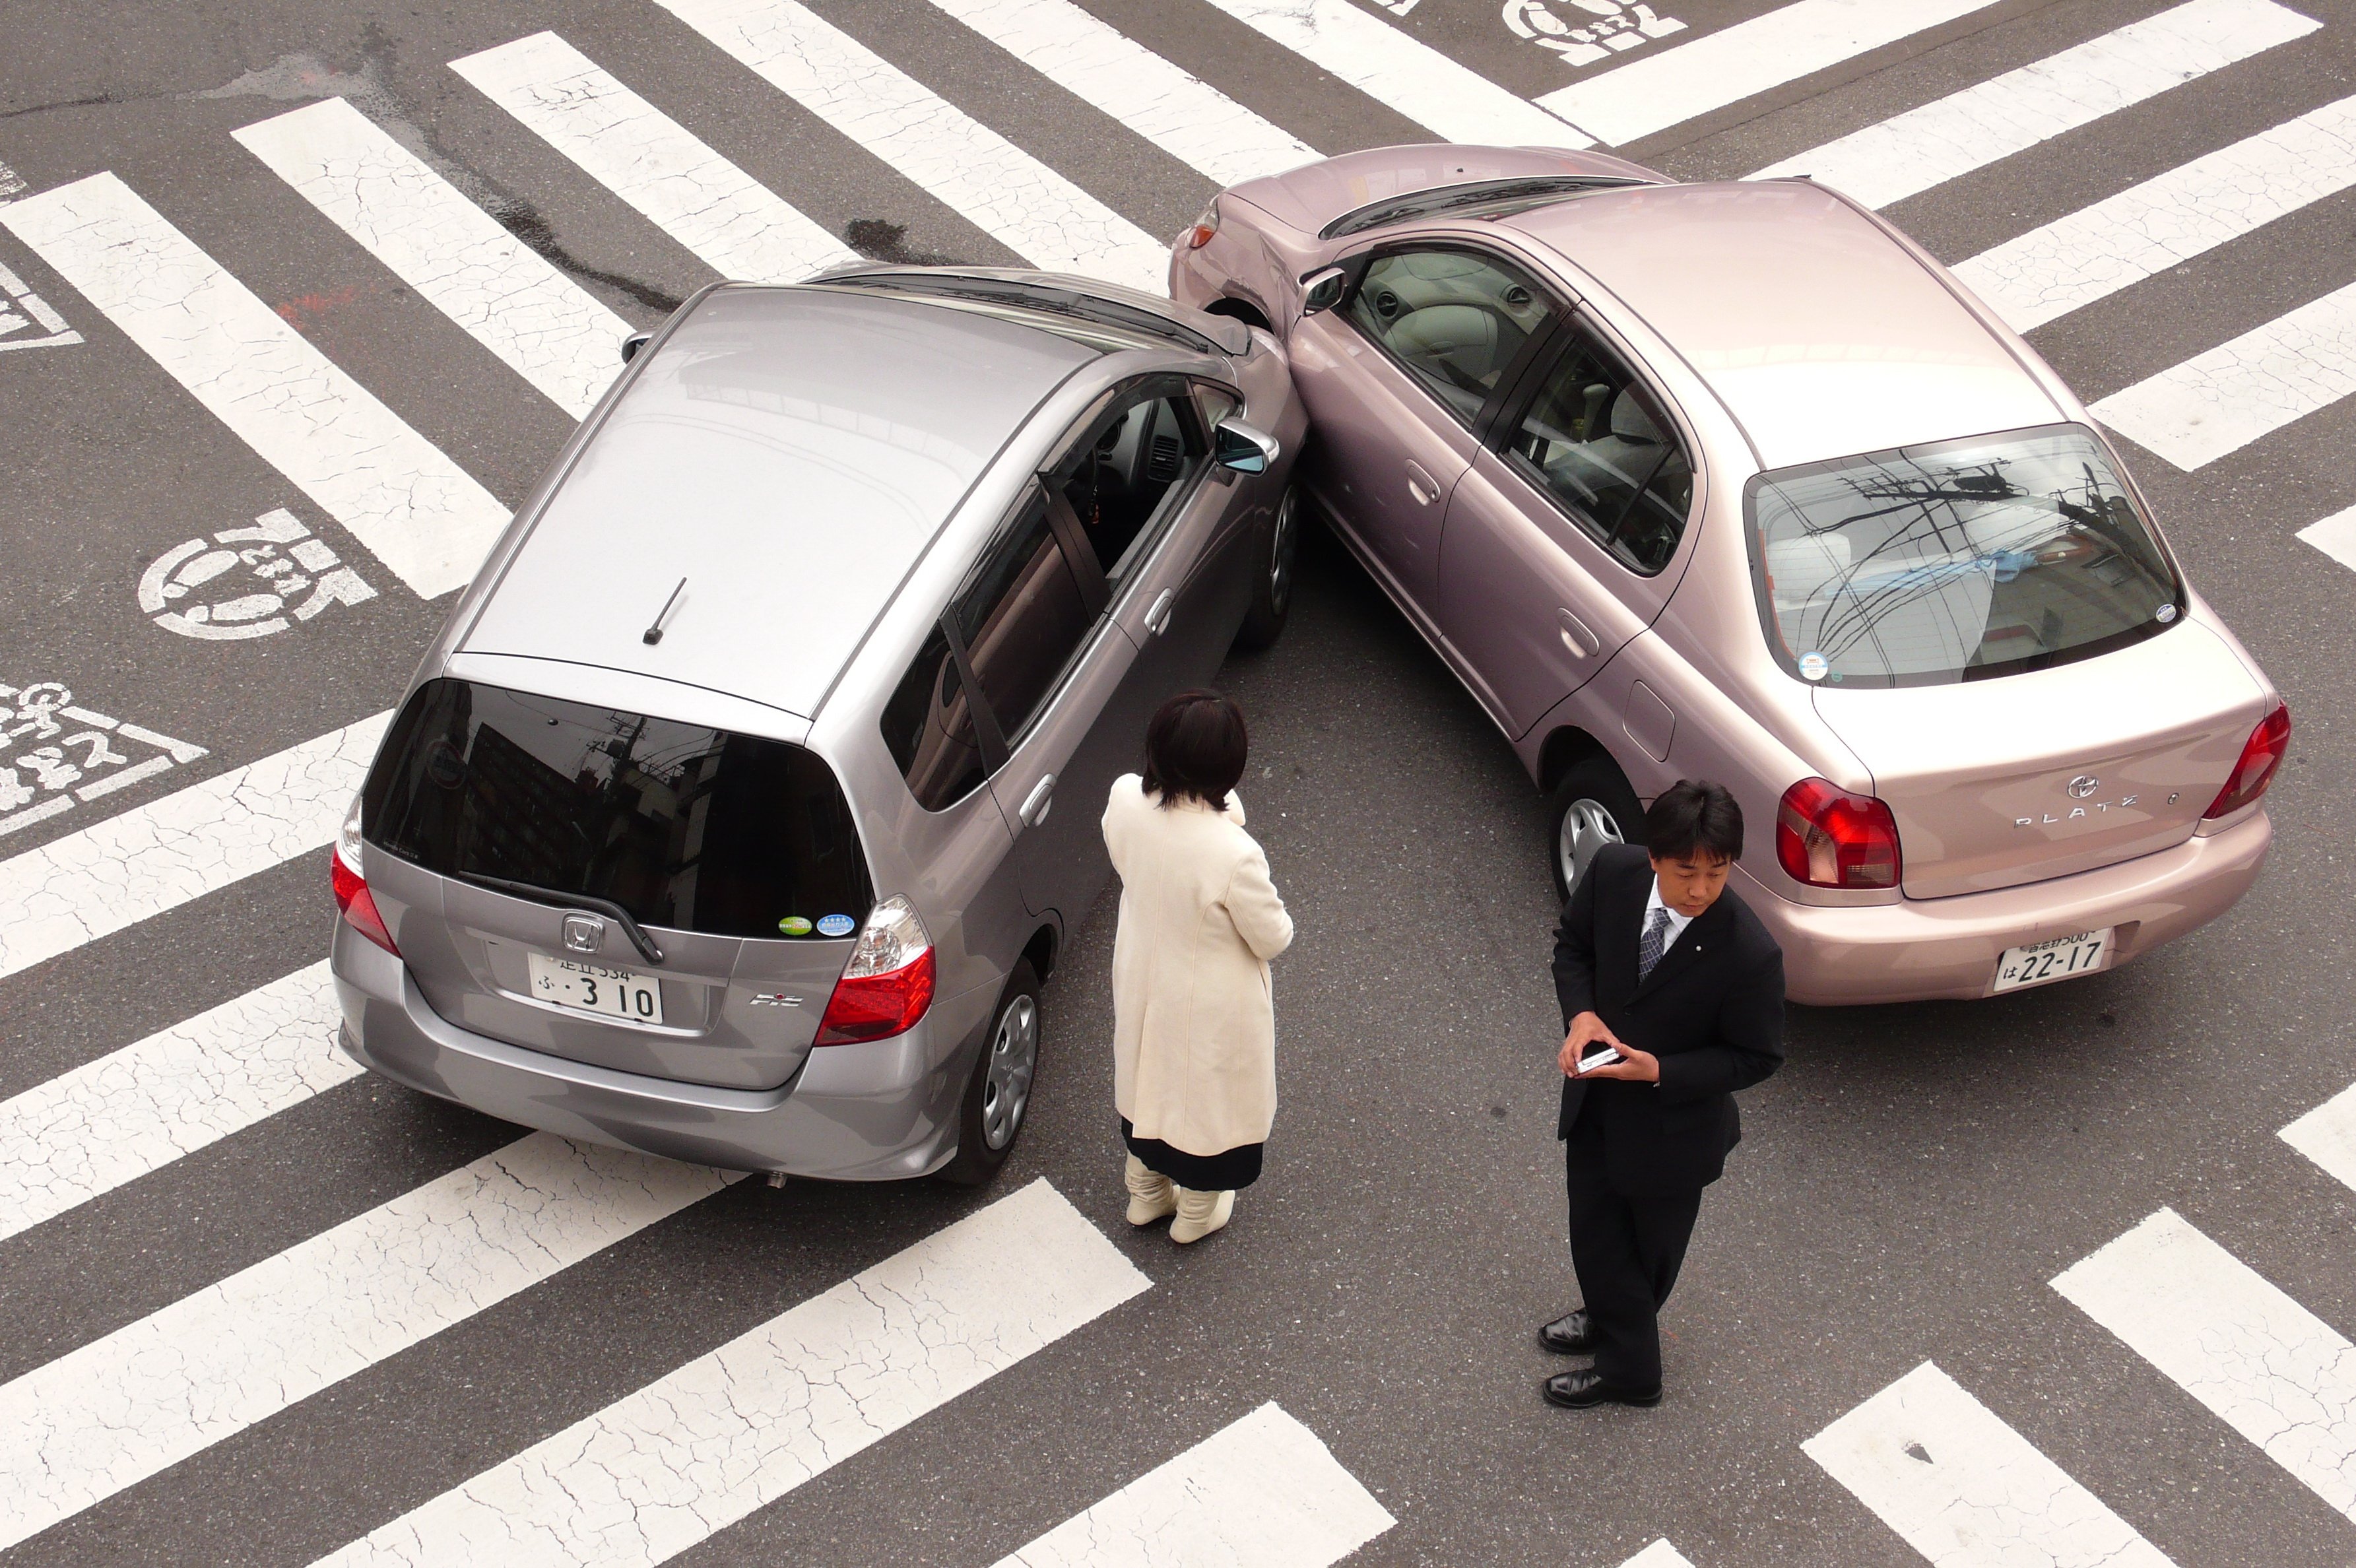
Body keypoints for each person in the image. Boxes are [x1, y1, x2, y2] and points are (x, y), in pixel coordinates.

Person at [1540, 779, 1784, 1408]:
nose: (1700, 890)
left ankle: (1631, 1372)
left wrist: (1660, 1071)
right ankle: (1612, 1324)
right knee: (1594, 1231)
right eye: (1685, 872)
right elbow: (1572, 950)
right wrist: (1582, 1015)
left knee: (1649, 1253)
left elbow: (1757, 1056)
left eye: (1717, 872)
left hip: (1675, 1132)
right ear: (1653, 857)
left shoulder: (1751, 953)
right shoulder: (1613, 873)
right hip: (1597, 1102)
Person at [1101, 690, 1293, 1244]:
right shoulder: (1233, 853)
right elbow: (1273, 936)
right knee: (1207, 1105)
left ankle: (1146, 1196)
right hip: (1210, 1001)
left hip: (1142, 972)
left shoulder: (1123, 800)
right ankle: (1195, 1215)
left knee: (1146, 1084)